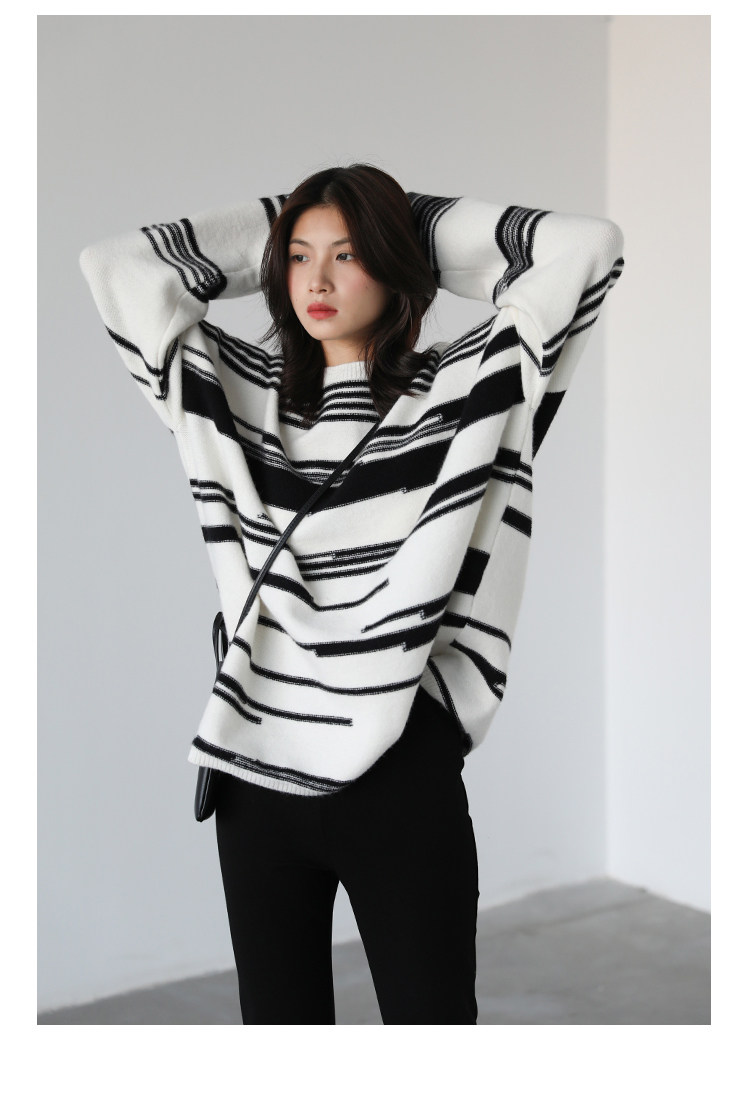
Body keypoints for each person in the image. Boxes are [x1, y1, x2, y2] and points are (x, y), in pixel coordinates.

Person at [79, 164, 624, 1025]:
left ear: (396, 263)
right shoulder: (235, 394)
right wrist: (296, 221)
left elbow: (585, 247)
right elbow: (117, 266)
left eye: (348, 255)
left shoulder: (470, 391)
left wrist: (397, 221)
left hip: (399, 773)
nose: (317, 281)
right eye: (298, 258)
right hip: (256, 781)